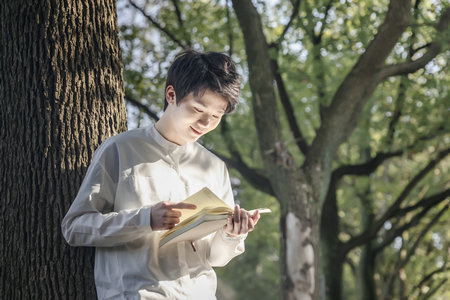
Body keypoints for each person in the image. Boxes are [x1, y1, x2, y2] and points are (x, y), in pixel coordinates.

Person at [61, 49, 260, 299]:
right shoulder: (120, 150)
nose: (205, 123)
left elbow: (215, 258)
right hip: (136, 294)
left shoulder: (214, 167)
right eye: (198, 110)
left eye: (216, 116)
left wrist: (231, 234)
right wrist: (145, 220)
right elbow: (75, 228)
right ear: (171, 95)